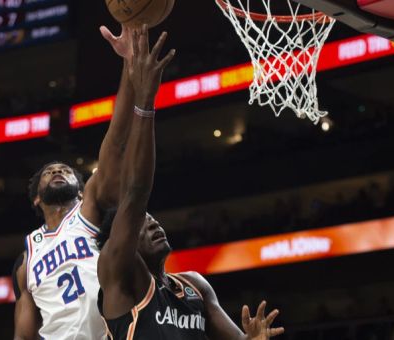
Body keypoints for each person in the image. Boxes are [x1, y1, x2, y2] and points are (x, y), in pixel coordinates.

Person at [96, 28, 285, 340]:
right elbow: (135, 194)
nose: (154, 225)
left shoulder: (195, 287)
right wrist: (144, 101)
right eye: (143, 224)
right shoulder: (119, 274)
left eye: (152, 220)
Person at [12, 24, 155, 340]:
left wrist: (128, 66)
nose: (58, 172)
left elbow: (116, 142)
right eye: (50, 172)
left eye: (65, 171)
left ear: (80, 189)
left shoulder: (87, 209)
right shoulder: (27, 258)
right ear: (37, 198)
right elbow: (24, 333)